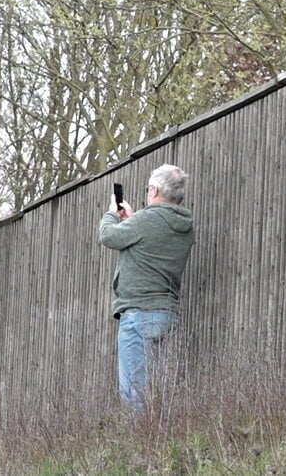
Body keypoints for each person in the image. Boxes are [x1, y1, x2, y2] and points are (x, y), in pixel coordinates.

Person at [98, 164, 196, 412]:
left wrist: (112, 213)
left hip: (138, 315)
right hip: (167, 315)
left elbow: (108, 235)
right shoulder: (186, 227)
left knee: (133, 393)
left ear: (153, 190)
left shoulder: (145, 220)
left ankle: (138, 448)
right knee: (160, 392)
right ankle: (160, 445)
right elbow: (153, 239)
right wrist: (132, 220)